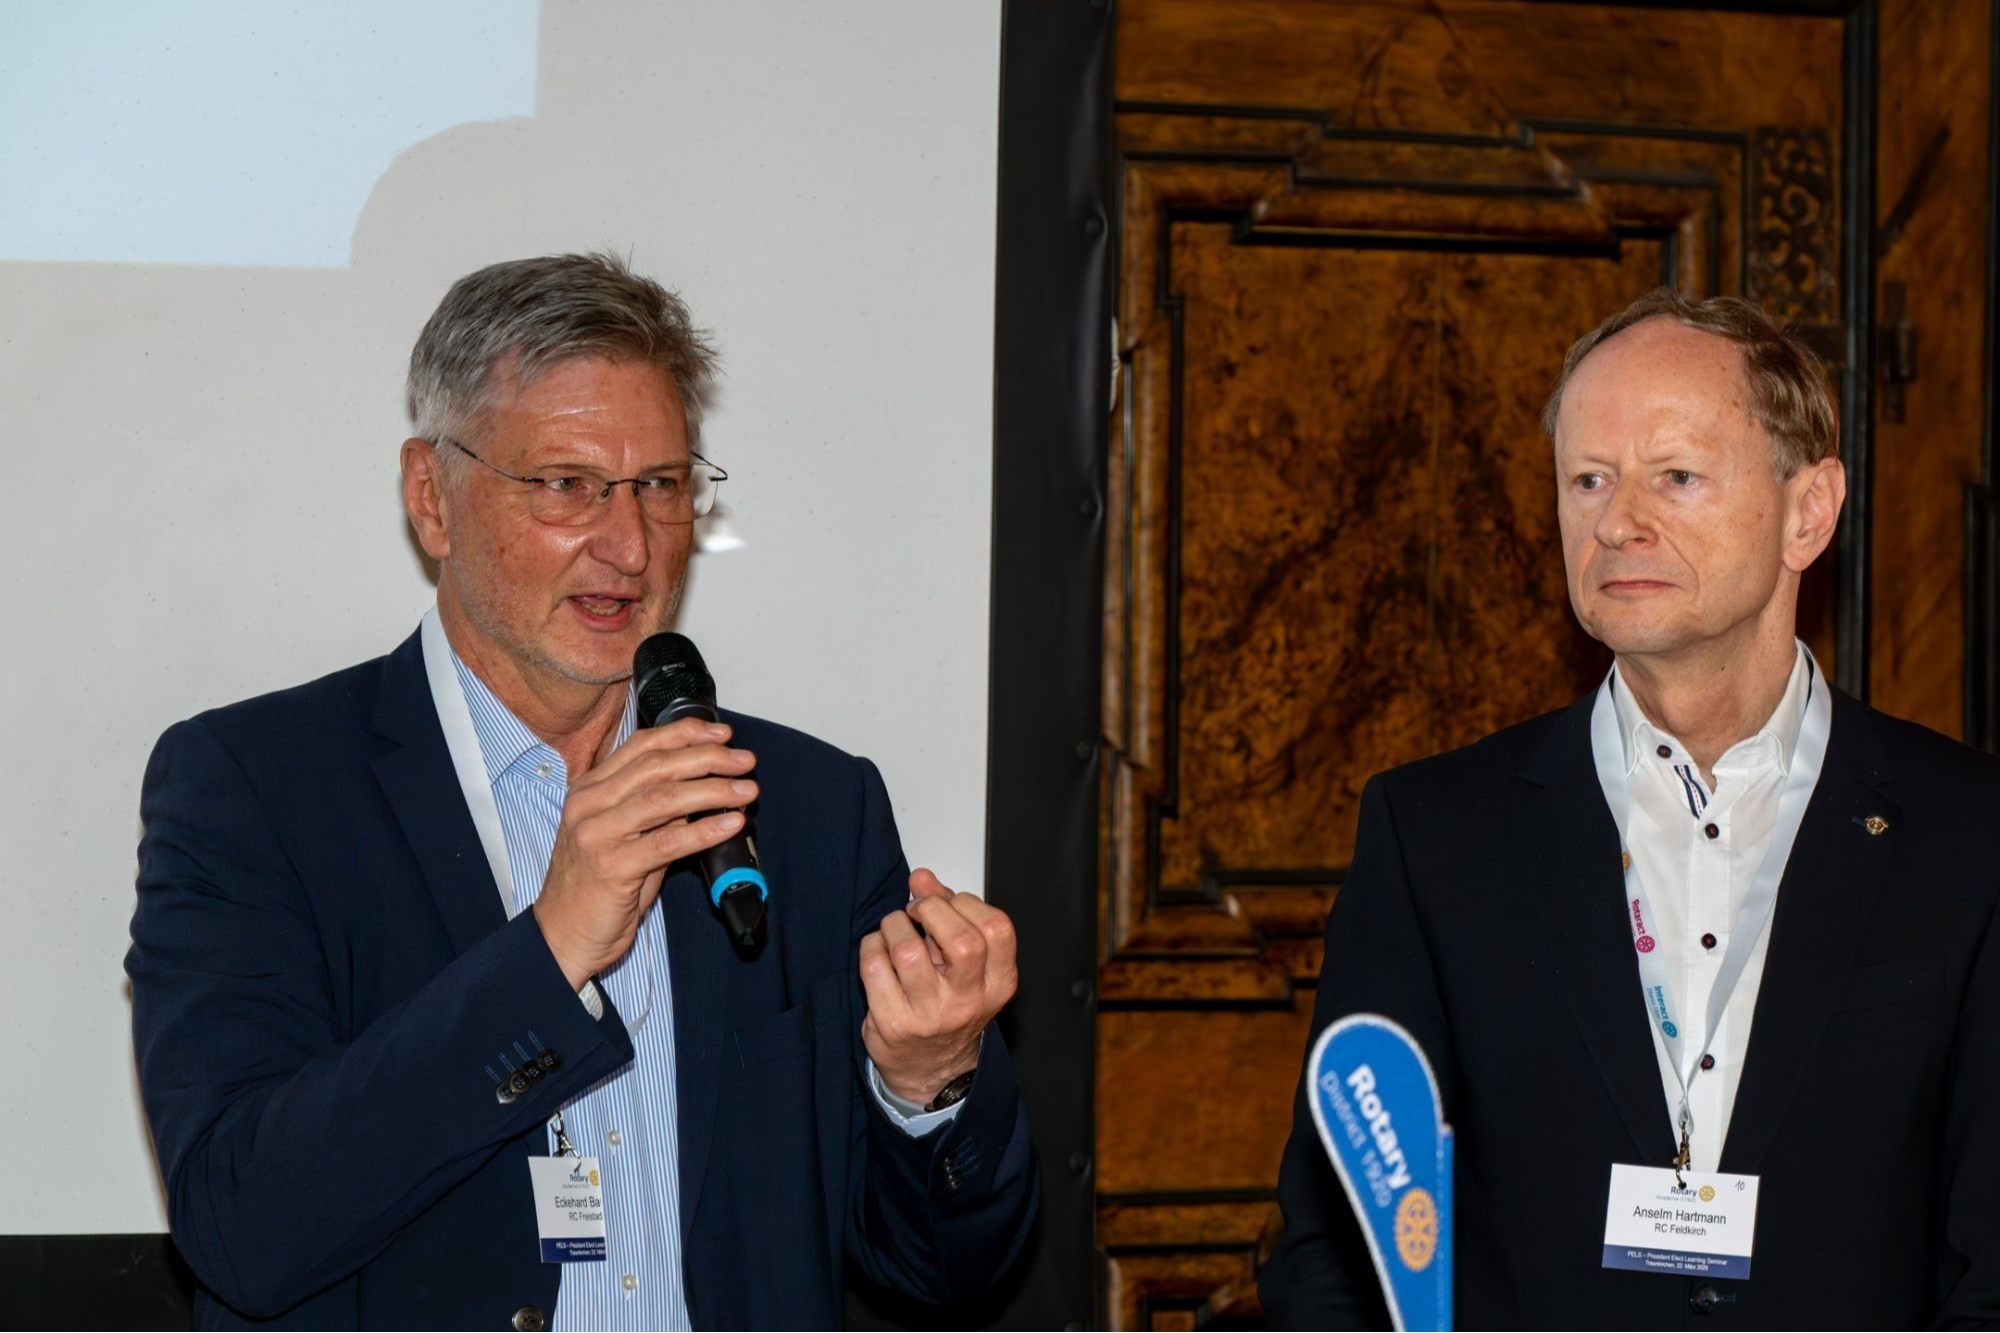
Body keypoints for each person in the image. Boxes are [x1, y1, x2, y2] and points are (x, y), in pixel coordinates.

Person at [127, 252, 1037, 1330]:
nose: (629, 544)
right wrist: (551, 950)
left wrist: (928, 1081)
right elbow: (241, 1225)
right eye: (566, 485)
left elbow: (941, 1271)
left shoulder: (807, 809)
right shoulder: (258, 790)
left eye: (660, 485)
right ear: (432, 496)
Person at [1261, 289, 2000, 1326]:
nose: (1615, 521)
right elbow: (1332, 1244)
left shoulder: (1969, 834)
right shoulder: (1434, 836)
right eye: (1588, 479)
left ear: (1808, 511)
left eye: (1675, 476)